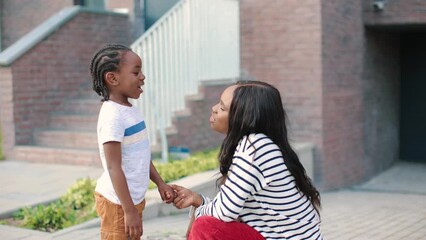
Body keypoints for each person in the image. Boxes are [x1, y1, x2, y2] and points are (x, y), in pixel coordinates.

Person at [171, 80, 323, 240]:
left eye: (222, 108)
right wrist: (199, 201)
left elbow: (225, 212)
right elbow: (231, 207)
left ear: (243, 118)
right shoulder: (262, 145)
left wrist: (199, 211)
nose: (214, 109)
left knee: (206, 226)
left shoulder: (255, 147)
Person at [89, 44, 175, 240]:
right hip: (117, 203)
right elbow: (113, 167)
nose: (142, 77)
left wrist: (160, 184)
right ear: (112, 78)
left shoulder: (130, 110)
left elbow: (142, 156)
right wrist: (128, 211)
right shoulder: (112, 116)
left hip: (132, 200)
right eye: (136, 72)